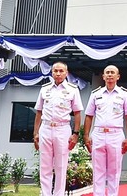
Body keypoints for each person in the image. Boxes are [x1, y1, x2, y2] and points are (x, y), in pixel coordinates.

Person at [83, 65, 127, 196]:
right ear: (103, 76)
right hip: (98, 134)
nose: (110, 75)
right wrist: (86, 135)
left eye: (113, 73)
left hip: (116, 134)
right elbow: (89, 116)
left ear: (118, 76)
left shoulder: (124, 94)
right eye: (107, 73)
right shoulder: (96, 94)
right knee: (98, 170)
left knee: (114, 171)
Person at [33, 62, 84, 196]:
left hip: (62, 129)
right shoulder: (45, 89)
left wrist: (76, 134)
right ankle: (45, 194)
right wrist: (35, 133)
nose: (58, 73)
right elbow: (39, 111)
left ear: (66, 73)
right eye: (55, 71)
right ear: (52, 73)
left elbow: (77, 113)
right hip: (46, 127)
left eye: (61, 71)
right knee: (45, 166)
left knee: (61, 166)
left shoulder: (72, 89)